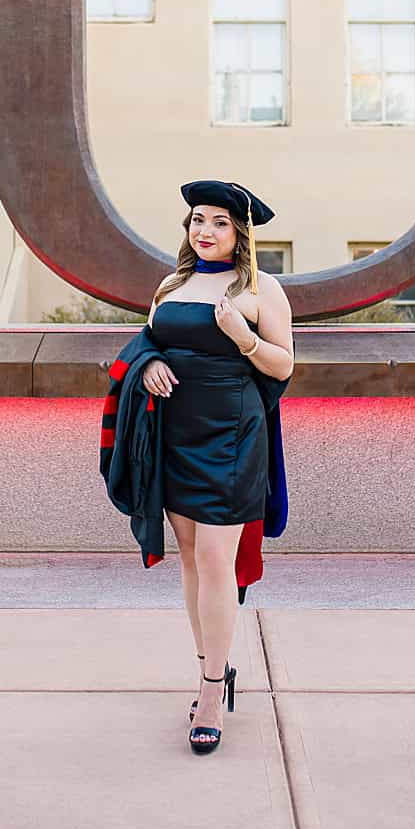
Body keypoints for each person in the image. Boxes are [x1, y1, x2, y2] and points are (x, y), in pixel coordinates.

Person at [140, 180, 295, 755]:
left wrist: (243, 337)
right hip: (176, 433)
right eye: (197, 219)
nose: (204, 230)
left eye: (219, 222)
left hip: (232, 436)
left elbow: (284, 366)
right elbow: (146, 341)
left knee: (214, 558)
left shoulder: (260, 288)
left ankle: (210, 690)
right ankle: (214, 663)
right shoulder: (171, 284)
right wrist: (149, 363)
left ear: (241, 232)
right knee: (189, 557)